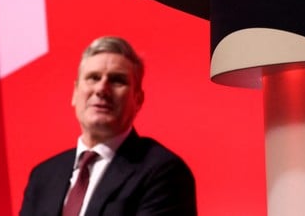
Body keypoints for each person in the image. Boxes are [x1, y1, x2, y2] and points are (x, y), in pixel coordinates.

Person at [19, 36, 197, 215]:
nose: (101, 89)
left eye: (117, 80)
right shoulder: (43, 176)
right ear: (75, 93)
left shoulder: (163, 171)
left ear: (138, 99)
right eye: (93, 78)